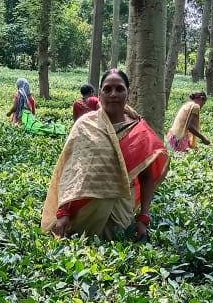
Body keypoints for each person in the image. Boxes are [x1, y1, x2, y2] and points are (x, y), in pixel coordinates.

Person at [41, 69, 169, 241]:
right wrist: (63, 212)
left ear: (128, 93)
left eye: (119, 89)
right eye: (107, 89)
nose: (113, 94)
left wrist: (143, 217)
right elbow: (70, 172)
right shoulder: (84, 125)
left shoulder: (139, 131)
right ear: (100, 94)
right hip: (83, 213)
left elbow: (146, 178)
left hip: (119, 213)